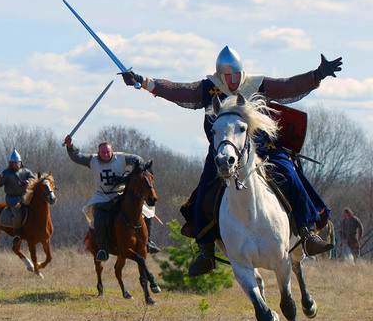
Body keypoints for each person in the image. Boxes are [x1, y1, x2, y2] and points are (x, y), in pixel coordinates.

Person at [122, 46, 341, 275]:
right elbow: (179, 92)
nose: (233, 80)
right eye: (228, 77)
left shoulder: (256, 84)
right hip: (222, 149)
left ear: (241, 72)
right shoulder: (208, 88)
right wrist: (143, 81)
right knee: (205, 189)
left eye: (236, 75)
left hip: (261, 145)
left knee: (289, 173)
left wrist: (317, 74)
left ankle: (307, 234)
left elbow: (287, 87)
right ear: (220, 75)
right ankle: (206, 250)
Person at [64, 136, 144, 261]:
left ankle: (148, 242)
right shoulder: (93, 160)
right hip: (102, 197)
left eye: (108, 152)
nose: (105, 154)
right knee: (99, 220)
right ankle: (102, 249)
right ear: (98, 153)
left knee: (145, 212)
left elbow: (138, 159)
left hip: (120, 195)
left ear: (112, 151)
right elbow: (77, 157)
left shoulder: (121, 158)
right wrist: (70, 146)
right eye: (103, 152)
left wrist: (136, 170)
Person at [0, 149, 35, 245]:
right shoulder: (6, 174)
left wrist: (29, 181)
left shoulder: (25, 171)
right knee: (17, 214)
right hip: (12, 199)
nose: (17, 164)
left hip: (25, 197)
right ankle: (16, 235)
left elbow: (33, 178)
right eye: (15, 163)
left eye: (18, 162)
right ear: (11, 163)